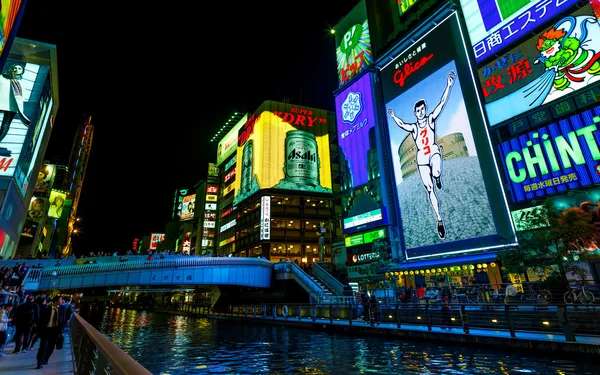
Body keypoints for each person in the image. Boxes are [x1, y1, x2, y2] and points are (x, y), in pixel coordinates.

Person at [387, 70, 456, 239]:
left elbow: (441, 102)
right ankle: (439, 219)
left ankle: (438, 176)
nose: (420, 112)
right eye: (417, 110)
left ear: (425, 109)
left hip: (433, 150)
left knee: (437, 172)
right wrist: (394, 116)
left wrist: (448, 85)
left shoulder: (431, 119)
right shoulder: (414, 127)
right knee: (429, 188)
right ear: (415, 113)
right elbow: (402, 124)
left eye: (422, 109)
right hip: (421, 158)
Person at [0, 64, 30, 155]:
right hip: (3, 102)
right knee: (5, 125)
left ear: (22, 71)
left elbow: (23, 97)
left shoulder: (22, 82)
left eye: (19, 68)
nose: (17, 69)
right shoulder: (3, 77)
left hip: (13, 105)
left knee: (5, 125)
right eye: (15, 67)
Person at [36, 297, 65, 369]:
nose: (62, 301)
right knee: (43, 346)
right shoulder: (46, 308)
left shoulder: (62, 309)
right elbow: (40, 319)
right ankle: (39, 361)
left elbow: (63, 319)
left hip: (55, 330)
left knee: (51, 346)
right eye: (60, 299)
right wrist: (39, 330)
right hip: (46, 329)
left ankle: (46, 359)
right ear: (55, 301)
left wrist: (61, 330)